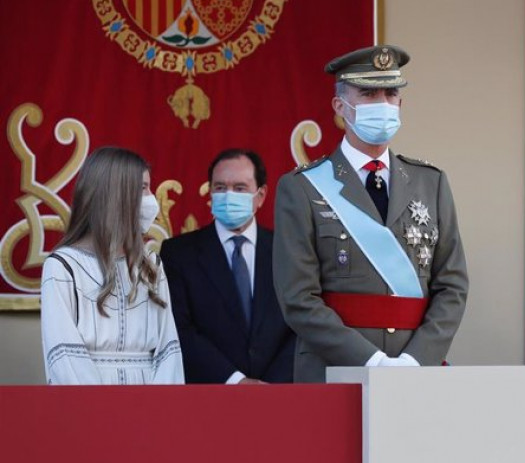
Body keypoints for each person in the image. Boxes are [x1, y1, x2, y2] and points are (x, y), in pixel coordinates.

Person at [273, 45, 469, 383]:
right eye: (368, 92)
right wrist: (372, 361)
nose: (382, 103)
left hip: (416, 373)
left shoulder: (430, 182)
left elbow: (452, 286)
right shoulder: (303, 187)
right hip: (332, 369)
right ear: (340, 106)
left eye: (391, 93)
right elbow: (298, 298)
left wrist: (416, 359)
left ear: (401, 104)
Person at [40, 146, 184, 384]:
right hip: (91, 404)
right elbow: (65, 358)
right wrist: (99, 413)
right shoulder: (64, 267)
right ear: (115, 193)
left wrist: (161, 410)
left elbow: (168, 350)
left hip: (149, 401)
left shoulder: (151, 266)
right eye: (142, 188)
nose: (151, 199)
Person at [160, 149, 295, 383]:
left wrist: (272, 386)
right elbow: (180, 328)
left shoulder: (288, 251)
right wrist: (236, 381)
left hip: (279, 395)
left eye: (240, 188)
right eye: (220, 188)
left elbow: (301, 323)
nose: (228, 195)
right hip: (209, 395)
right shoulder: (179, 254)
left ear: (260, 195)